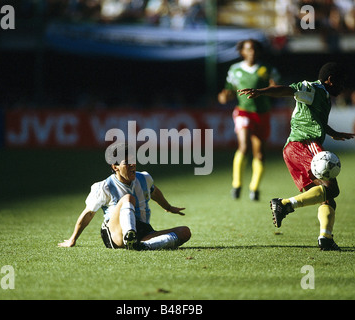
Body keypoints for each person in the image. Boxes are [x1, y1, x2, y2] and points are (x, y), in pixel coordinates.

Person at [238, 62, 355, 251]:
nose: (343, 88)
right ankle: (284, 204)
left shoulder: (323, 96)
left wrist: (333, 132)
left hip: (293, 149)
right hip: (304, 144)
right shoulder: (312, 88)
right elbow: (288, 89)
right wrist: (262, 91)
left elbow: (314, 119)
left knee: (326, 198)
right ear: (331, 80)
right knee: (332, 189)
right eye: (341, 83)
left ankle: (325, 238)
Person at [58, 144, 191, 251]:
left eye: (133, 161)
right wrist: (73, 239)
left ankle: (142, 246)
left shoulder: (144, 178)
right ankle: (130, 236)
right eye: (127, 162)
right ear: (115, 166)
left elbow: (154, 192)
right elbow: (88, 214)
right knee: (128, 198)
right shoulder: (104, 187)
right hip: (116, 233)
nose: (132, 165)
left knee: (184, 232)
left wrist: (168, 207)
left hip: (144, 231)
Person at [218, 39, 280, 201]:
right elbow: (228, 90)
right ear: (242, 52)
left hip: (262, 114)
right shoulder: (235, 69)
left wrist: (270, 89)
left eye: (254, 49)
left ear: (258, 52)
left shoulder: (267, 70)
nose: (251, 52)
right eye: (248, 49)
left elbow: (277, 89)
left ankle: (254, 188)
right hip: (243, 112)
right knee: (244, 146)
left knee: (259, 155)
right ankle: (237, 184)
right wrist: (224, 96)